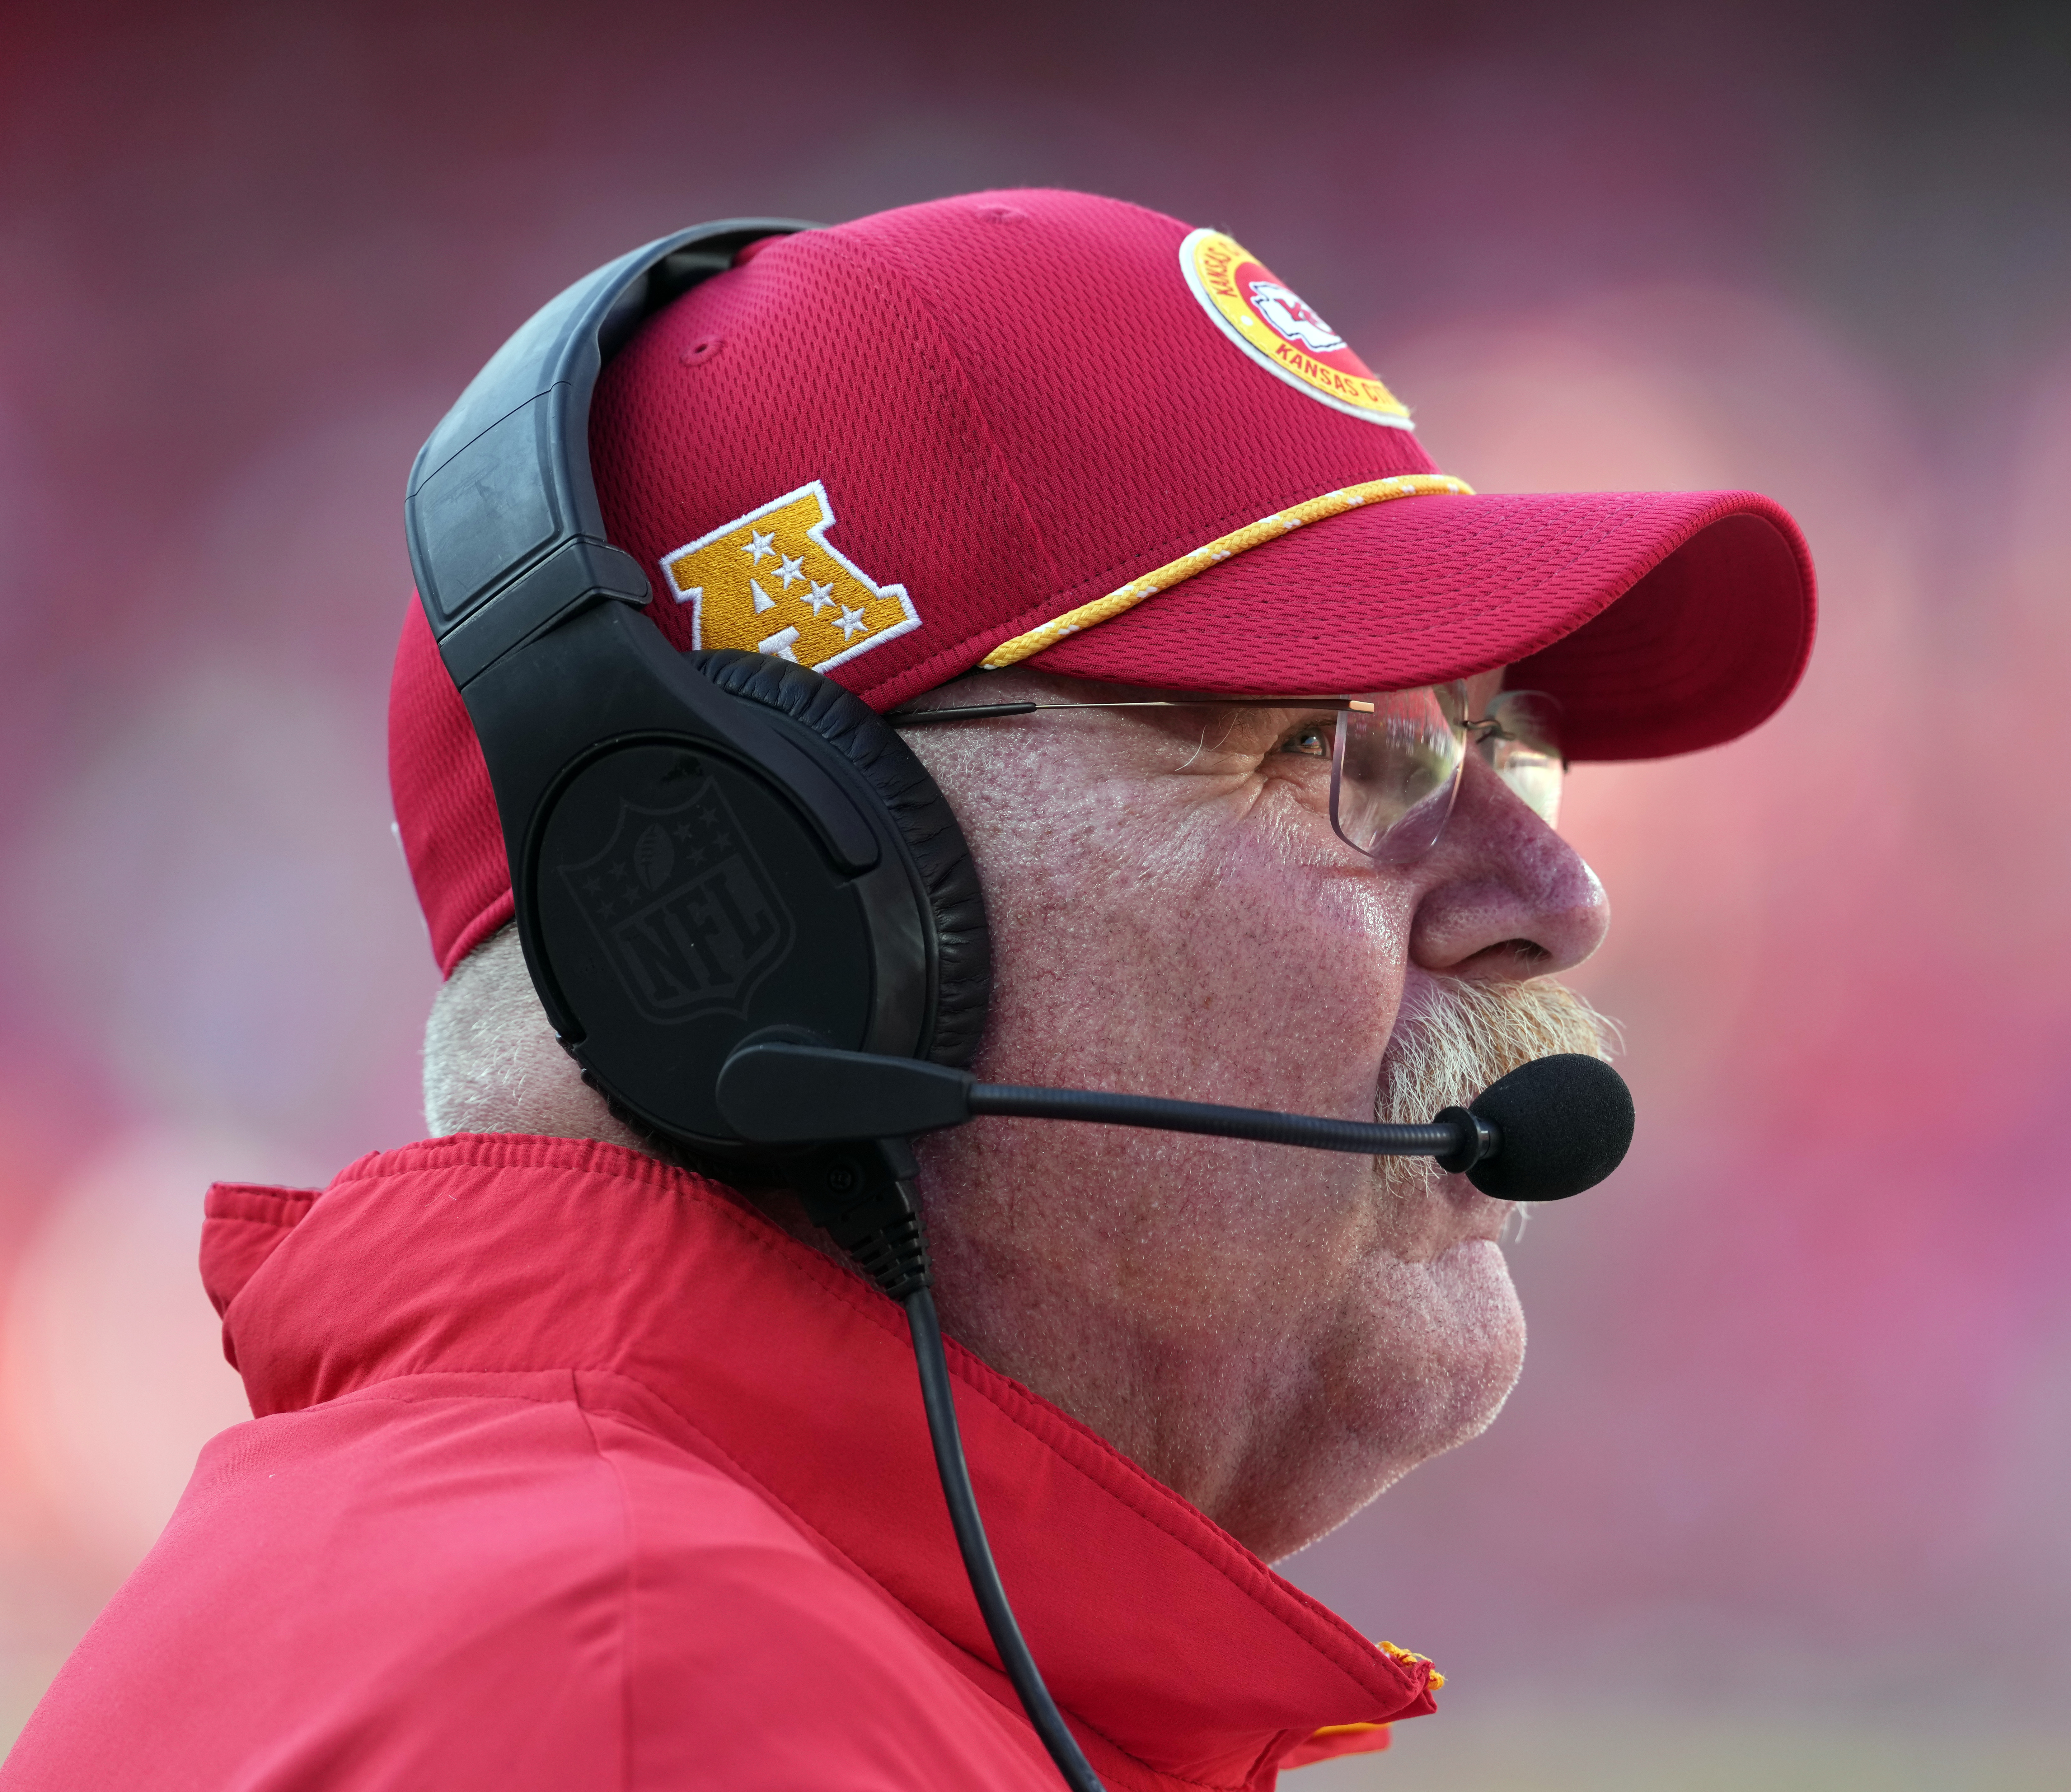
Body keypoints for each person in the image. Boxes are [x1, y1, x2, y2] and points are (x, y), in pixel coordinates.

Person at [2, 189, 1813, 1789]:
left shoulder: (691, 1638)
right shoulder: (648, 1704)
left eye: (1511, 748)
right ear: (780, 894)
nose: (1557, 900)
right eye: (1348, 751)